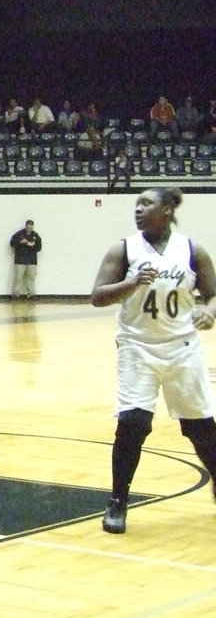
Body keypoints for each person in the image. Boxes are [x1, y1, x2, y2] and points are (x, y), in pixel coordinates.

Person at [89, 187, 216, 534]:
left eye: (147, 203)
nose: (139, 209)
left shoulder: (192, 250)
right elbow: (97, 297)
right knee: (132, 423)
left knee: (200, 428)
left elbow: (214, 294)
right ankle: (118, 501)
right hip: (137, 346)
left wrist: (209, 311)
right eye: (137, 204)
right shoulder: (124, 249)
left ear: (167, 210)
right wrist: (130, 283)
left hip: (182, 346)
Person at [10, 219, 42, 299]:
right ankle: (16, 294)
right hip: (20, 260)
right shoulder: (19, 234)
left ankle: (31, 294)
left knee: (31, 278)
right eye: (28, 228)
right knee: (18, 277)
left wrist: (32, 245)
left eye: (31, 228)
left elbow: (39, 247)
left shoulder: (36, 236)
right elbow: (12, 244)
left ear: (33, 227)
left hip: (31, 261)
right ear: (25, 226)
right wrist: (20, 242)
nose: (29, 229)